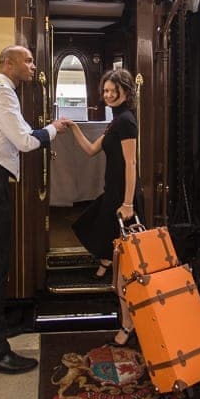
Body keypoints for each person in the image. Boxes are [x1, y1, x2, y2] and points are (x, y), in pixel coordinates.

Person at [0, 45, 68, 374]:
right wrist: (53, 130)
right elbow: (25, 142)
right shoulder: (4, 94)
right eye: (28, 61)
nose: (33, 66)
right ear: (9, 63)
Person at [62, 68, 141, 347]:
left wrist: (128, 203)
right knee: (87, 226)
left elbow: (131, 164)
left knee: (125, 271)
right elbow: (91, 150)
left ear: (125, 93)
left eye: (112, 91)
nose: (107, 95)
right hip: (113, 197)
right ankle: (106, 259)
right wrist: (73, 128)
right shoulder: (115, 121)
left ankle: (128, 325)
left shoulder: (126, 122)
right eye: (105, 91)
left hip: (123, 201)